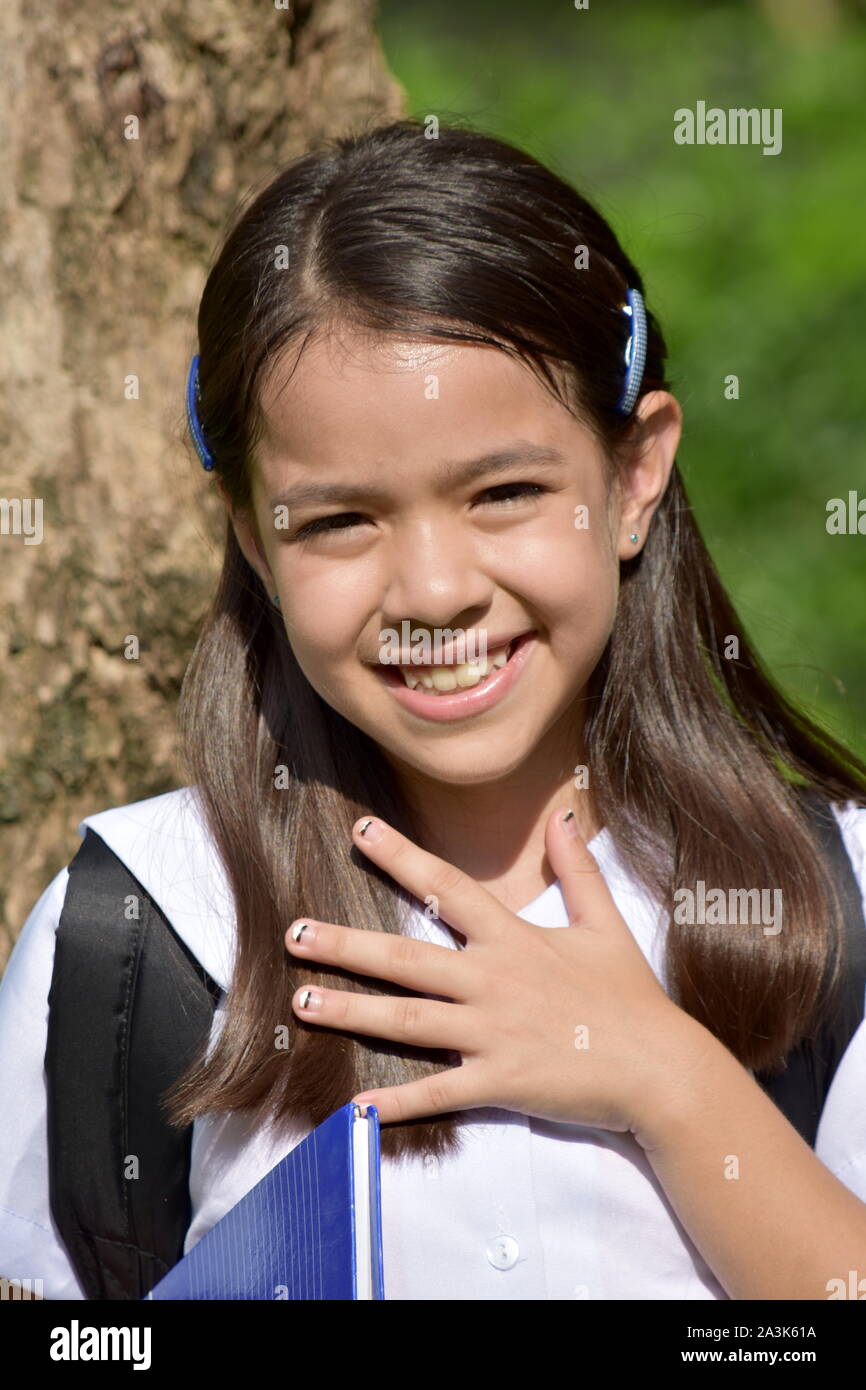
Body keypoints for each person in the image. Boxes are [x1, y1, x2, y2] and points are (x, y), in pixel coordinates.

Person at [2, 117, 866, 1302]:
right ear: (256, 540)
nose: (433, 591)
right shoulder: (134, 931)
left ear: (632, 477)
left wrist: (666, 1082)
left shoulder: (835, 902)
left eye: (504, 491)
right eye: (341, 519)